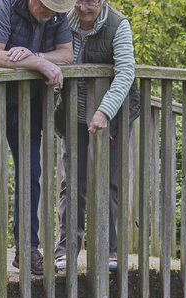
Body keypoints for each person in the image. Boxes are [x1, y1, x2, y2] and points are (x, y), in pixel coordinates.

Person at [0, 0, 76, 277]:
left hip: (28, 104)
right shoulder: (3, 6)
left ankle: (27, 250)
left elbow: (67, 54)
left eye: (56, 10)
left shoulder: (57, 14)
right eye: (45, 6)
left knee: (31, 177)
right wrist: (39, 62)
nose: (49, 13)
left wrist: (34, 55)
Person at [51, 0, 140, 270]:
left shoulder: (118, 25)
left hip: (110, 114)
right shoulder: (63, 21)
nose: (83, 6)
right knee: (72, 181)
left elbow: (126, 73)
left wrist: (104, 111)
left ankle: (108, 251)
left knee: (108, 181)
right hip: (74, 113)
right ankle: (66, 250)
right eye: (78, 0)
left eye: (90, 1)